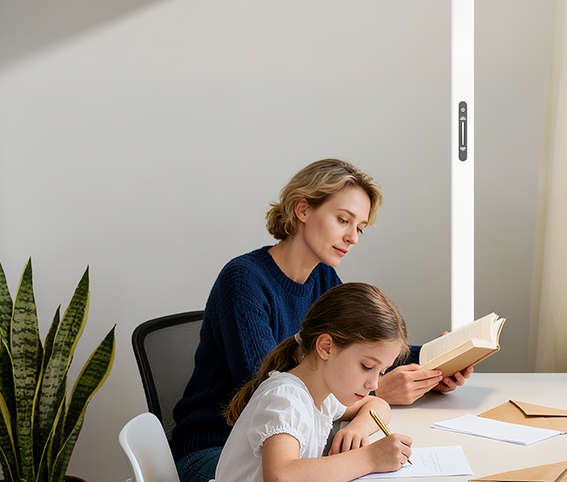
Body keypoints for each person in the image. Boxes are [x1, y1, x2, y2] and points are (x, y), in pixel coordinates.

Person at [170, 158, 472, 482]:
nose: (352, 237)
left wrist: (437, 362)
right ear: (302, 210)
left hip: (285, 443)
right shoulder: (243, 279)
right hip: (215, 449)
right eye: (343, 220)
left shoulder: (323, 278)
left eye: (359, 228)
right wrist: (379, 389)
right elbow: (264, 384)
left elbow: (362, 344)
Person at [215, 283, 413, 482]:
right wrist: (370, 458)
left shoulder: (324, 395)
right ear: (326, 348)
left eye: (381, 372)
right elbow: (280, 477)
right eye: (367, 367)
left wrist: (357, 428)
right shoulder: (285, 398)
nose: (374, 385)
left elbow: (378, 405)